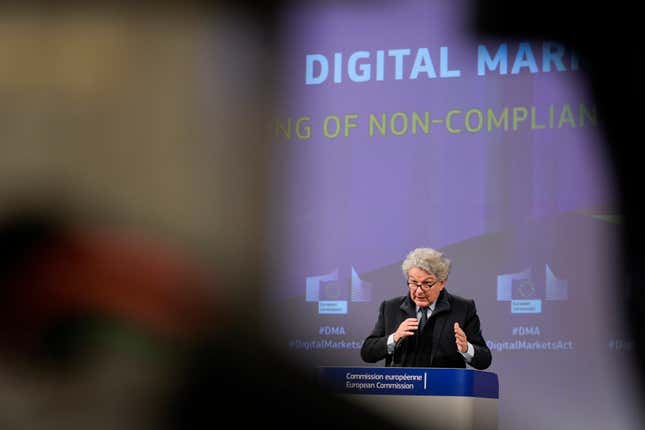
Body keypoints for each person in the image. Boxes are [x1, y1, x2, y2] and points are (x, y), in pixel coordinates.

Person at [361, 247, 492, 369]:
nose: (418, 291)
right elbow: (367, 353)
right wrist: (394, 338)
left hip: (444, 390)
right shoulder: (390, 308)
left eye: (426, 283)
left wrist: (466, 348)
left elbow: (485, 360)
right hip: (401, 388)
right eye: (413, 282)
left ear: (442, 283)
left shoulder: (463, 308)